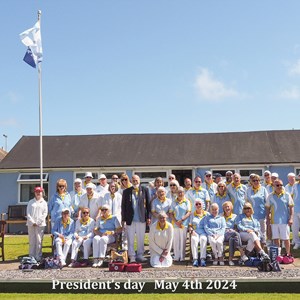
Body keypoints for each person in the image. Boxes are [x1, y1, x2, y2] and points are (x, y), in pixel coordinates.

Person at [121, 175, 150, 263]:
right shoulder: (126, 191)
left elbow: (148, 204)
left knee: (141, 238)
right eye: (133, 180)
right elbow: (123, 206)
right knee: (130, 238)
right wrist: (123, 219)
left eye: (136, 180)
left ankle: (140, 255)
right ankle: (132, 256)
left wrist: (148, 217)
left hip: (141, 218)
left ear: (139, 180)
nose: (135, 181)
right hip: (130, 219)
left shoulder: (145, 189)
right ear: (131, 181)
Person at [266, 179, 294, 255]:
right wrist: (268, 219)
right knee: (276, 238)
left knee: (286, 239)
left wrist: (291, 218)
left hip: (284, 221)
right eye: (277, 185)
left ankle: (288, 254)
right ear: (274, 186)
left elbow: (291, 207)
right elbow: (267, 208)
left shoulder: (287, 195)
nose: (279, 187)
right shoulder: (270, 196)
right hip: (274, 221)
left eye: (281, 185)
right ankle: (278, 254)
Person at [222, 201, 248, 266]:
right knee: (235, 234)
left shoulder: (235, 216)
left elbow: (236, 227)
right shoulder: (220, 216)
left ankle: (230, 260)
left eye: (228, 206)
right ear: (223, 208)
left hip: (232, 234)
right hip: (223, 233)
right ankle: (242, 253)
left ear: (231, 208)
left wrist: (233, 230)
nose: (227, 208)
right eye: (225, 207)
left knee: (233, 239)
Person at [26, 186, 48, 262]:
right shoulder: (30, 202)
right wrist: (32, 222)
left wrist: (38, 222)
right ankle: (31, 256)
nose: (38, 193)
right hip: (31, 224)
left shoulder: (44, 203)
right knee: (32, 240)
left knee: (39, 240)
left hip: (40, 224)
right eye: (37, 192)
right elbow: (28, 213)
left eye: (39, 192)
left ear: (42, 193)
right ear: (34, 193)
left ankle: (38, 256)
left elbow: (45, 213)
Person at [170, 186, 191, 262]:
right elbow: (171, 213)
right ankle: (176, 256)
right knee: (176, 241)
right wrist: (176, 221)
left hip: (183, 223)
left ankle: (182, 257)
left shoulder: (187, 201)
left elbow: (188, 212)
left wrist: (181, 220)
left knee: (183, 240)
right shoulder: (174, 202)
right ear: (176, 193)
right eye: (178, 192)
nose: (180, 193)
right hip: (175, 224)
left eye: (181, 192)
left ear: (184, 193)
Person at [246, 174, 268, 245]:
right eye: (254, 180)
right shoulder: (248, 190)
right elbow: (246, 202)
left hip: (262, 214)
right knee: (254, 231)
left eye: (258, 180)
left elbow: (267, 202)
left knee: (263, 231)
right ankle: (255, 247)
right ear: (251, 182)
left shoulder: (263, 189)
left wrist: (268, 213)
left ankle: (263, 247)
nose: (256, 182)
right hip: (252, 215)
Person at [189, 199, 209, 267]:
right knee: (194, 239)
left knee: (203, 239)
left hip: (204, 232)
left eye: (199, 204)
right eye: (196, 204)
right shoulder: (192, 214)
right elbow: (190, 226)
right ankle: (195, 259)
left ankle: (203, 259)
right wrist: (191, 230)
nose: (198, 205)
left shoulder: (206, 214)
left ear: (202, 205)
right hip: (195, 232)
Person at [292, 176, 300, 248]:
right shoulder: (295, 185)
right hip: (295, 209)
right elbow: (292, 196)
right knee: (295, 228)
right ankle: (297, 242)